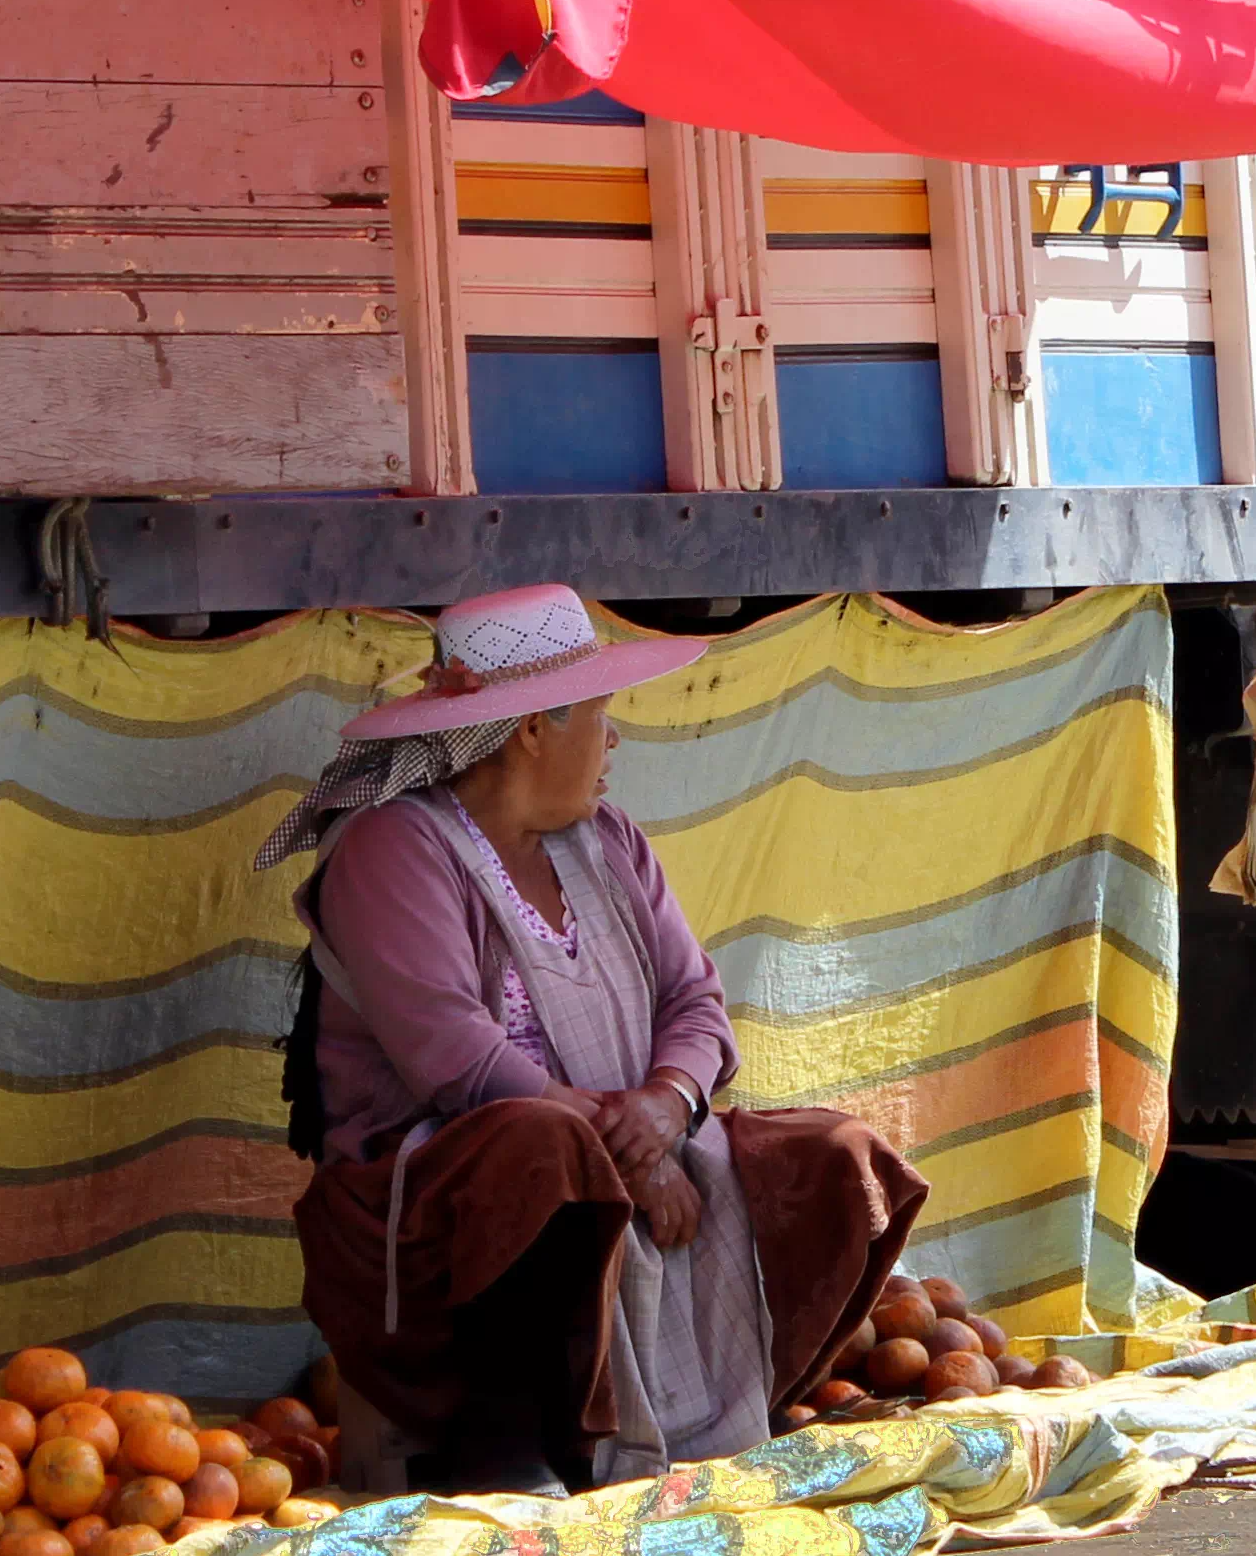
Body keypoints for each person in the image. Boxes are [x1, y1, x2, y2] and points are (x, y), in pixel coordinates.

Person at [261, 586, 927, 1495]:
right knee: (543, 1145)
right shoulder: (392, 849)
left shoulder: (608, 839)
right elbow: (455, 1058)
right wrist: (633, 1160)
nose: (614, 741)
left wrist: (669, 1103)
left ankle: (732, 1407)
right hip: (434, 1186)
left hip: (624, 1142)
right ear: (535, 728)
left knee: (842, 1157)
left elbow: (696, 1003)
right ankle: (510, 1444)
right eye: (602, 715)